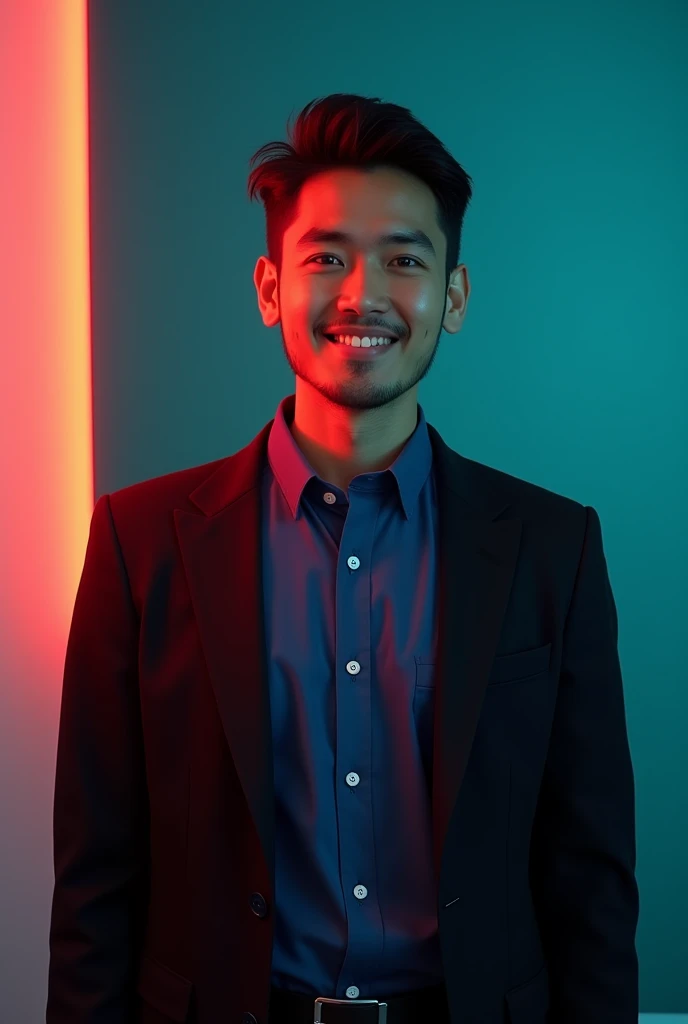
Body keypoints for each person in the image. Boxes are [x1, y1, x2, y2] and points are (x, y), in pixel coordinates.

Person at [47, 93, 639, 1024]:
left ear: (453, 296)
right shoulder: (140, 540)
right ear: (270, 287)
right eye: (326, 257)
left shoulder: (550, 548)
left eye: (405, 260)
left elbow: (591, 877)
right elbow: (95, 876)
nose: (363, 295)